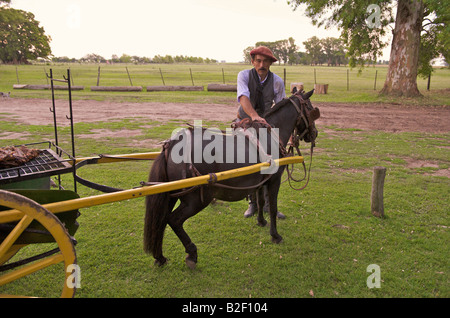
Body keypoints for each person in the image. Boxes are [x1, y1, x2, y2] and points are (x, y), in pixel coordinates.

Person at [235, 46, 286, 219]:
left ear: (271, 63)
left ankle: (269, 205)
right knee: (246, 161)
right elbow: (243, 97)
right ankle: (253, 203)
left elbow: (280, 107)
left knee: (273, 162)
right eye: (258, 60)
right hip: (245, 122)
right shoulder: (243, 76)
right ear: (253, 61)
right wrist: (254, 116)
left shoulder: (277, 81)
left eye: (265, 61)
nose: (261, 64)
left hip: (267, 124)